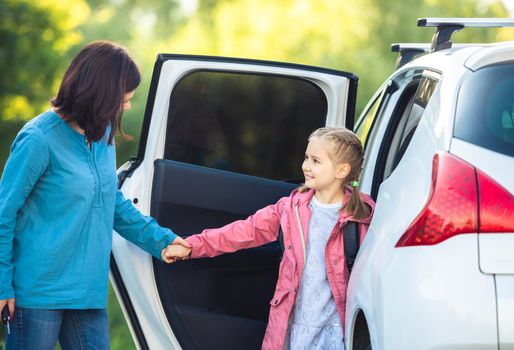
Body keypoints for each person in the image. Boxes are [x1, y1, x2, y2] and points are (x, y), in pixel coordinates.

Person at [0, 41, 190, 350]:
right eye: (123, 99)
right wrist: (1, 282)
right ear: (99, 92)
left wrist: (161, 240)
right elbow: (3, 213)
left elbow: (112, 203)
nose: (126, 106)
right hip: (37, 294)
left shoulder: (103, 136)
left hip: (87, 293)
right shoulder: (38, 139)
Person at [163, 127, 376, 350]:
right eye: (306, 158)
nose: (305, 166)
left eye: (315, 161)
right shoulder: (289, 209)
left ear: (341, 171)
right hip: (295, 327)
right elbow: (242, 232)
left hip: (338, 330)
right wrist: (192, 246)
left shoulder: (362, 217)